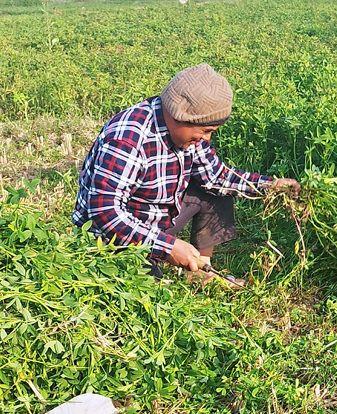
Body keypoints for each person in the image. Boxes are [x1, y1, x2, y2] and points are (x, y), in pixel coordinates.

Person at [72, 63, 299, 276]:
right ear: (180, 116)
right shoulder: (128, 138)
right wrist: (166, 247)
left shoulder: (189, 137)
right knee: (147, 294)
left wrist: (268, 186)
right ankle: (153, 260)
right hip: (113, 238)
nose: (207, 138)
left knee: (215, 193)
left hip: (157, 219)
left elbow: (216, 177)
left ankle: (201, 271)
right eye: (205, 130)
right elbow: (104, 213)